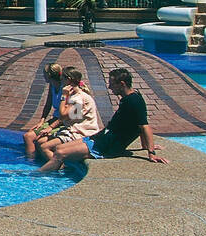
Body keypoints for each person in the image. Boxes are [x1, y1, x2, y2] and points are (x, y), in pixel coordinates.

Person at [40, 68, 169, 171]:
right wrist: (144, 145)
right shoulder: (129, 98)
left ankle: (38, 176)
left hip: (106, 146)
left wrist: (150, 152)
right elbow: (138, 124)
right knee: (58, 149)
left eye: (112, 84)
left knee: (60, 153)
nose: (109, 87)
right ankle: (53, 172)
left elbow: (144, 126)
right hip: (100, 138)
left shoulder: (134, 101)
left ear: (122, 84)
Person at [39, 66, 100, 158]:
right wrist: (51, 127)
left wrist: (63, 96)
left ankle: (59, 168)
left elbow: (63, 114)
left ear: (69, 80)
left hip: (81, 132)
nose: (60, 81)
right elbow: (69, 117)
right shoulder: (73, 94)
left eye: (62, 79)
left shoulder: (78, 98)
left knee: (44, 147)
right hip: (73, 129)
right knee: (40, 141)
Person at [23, 63, 65, 158]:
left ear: (49, 76)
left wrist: (50, 127)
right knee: (28, 135)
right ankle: (31, 160)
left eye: (44, 74)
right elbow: (48, 104)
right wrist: (42, 121)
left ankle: (34, 161)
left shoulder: (64, 88)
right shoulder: (52, 85)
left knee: (37, 139)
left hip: (63, 122)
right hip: (55, 119)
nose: (43, 76)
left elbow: (66, 115)